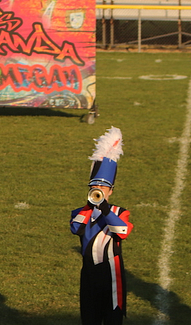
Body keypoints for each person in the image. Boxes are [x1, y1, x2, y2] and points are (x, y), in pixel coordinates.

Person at [70, 127, 133, 325]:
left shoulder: (119, 212)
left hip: (112, 275)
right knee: (90, 318)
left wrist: (105, 209)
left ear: (111, 191)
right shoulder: (81, 212)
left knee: (113, 319)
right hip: (89, 274)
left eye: (103, 187)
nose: (99, 190)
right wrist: (91, 205)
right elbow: (76, 228)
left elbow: (122, 231)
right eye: (94, 187)